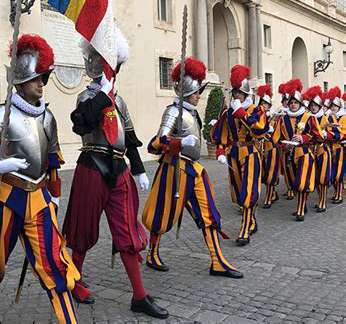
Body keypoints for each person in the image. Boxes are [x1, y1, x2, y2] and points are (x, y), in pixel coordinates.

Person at [0, 34, 80, 324]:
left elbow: (52, 161)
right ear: (20, 80)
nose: (42, 83)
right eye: (36, 78)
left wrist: (55, 197)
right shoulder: (2, 114)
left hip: (39, 200)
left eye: (43, 77)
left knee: (54, 264)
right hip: (5, 198)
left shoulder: (48, 118)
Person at [62, 29, 168, 319]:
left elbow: (130, 139)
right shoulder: (87, 97)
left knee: (127, 233)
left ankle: (139, 295)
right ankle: (74, 279)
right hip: (92, 166)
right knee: (83, 230)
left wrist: (139, 169)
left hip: (119, 169)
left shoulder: (119, 101)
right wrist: (104, 94)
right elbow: (83, 123)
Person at [142, 57, 243, 279]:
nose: (199, 95)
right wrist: (178, 143)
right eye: (197, 92)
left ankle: (217, 261)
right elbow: (155, 144)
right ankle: (152, 253)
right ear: (187, 93)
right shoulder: (173, 112)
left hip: (194, 170)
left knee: (209, 214)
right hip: (174, 171)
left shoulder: (193, 112)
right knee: (162, 215)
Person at [211, 65, 268, 246]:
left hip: (250, 153)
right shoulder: (228, 113)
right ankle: (251, 220)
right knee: (237, 193)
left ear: (246, 94)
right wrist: (220, 151)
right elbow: (222, 134)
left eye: (239, 93)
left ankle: (244, 229)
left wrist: (241, 113)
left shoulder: (256, 110)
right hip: (233, 154)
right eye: (234, 92)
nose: (236, 96)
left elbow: (260, 130)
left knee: (248, 192)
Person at [271, 79, 323, 221]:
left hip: (304, 154)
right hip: (288, 155)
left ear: (300, 104)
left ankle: (300, 209)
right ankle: (302, 203)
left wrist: (303, 138)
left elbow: (318, 136)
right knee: (293, 184)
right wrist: (283, 145)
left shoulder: (309, 118)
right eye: (291, 102)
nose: (293, 105)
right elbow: (275, 138)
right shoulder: (283, 119)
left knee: (301, 183)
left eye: (295, 102)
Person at [303, 86, 332, 212]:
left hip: (322, 150)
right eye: (311, 105)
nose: (313, 107)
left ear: (320, 106)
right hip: (310, 150)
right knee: (314, 178)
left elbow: (335, 133)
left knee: (322, 178)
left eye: (315, 105)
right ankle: (319, 199)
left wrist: (326, 134)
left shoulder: (326, 118)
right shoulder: (308, 119)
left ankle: (323, 201)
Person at [257, 85, 280, 209]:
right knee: (261, 173)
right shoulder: (257, 116)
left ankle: (269, 195)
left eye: (265, 104)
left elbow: (278, 133)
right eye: (262, 103)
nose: (263, 105)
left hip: (271, 147)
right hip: (260, 149)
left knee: (271, 173)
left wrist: (272, 131)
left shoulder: (273, 118)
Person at [324, 88, 346, 204]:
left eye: (335, 106)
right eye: (331, 106)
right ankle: (336, 192)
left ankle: (340, 195)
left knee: (339, 173)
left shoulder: (344, 117)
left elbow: (343, 133)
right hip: (331, 148)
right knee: (332, 173)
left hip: (341, 148)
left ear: (339, 107)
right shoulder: (329, 118)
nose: (333, 108)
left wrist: (337, 133)